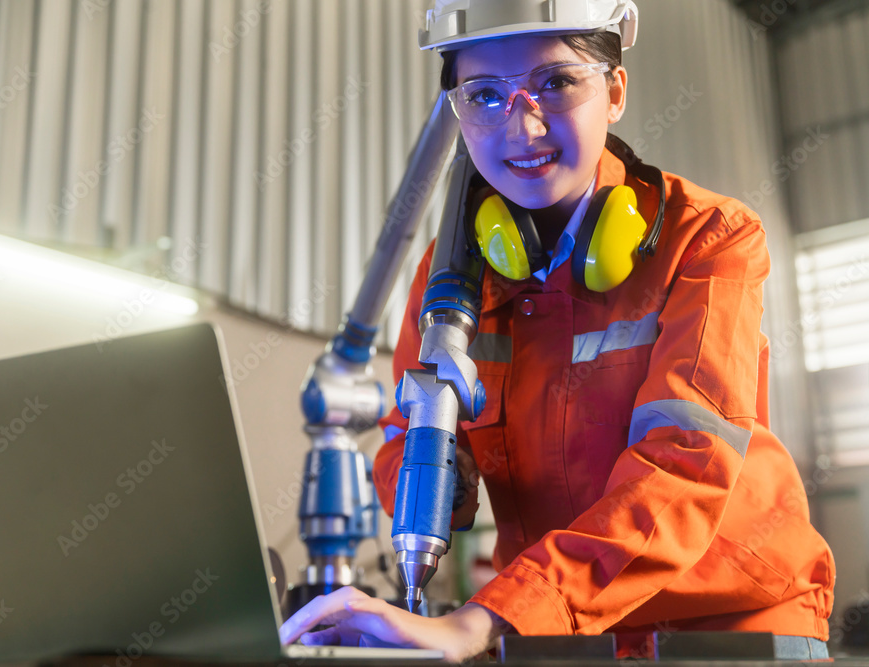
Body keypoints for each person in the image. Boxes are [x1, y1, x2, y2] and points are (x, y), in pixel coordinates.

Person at [280, 0, 835, 661]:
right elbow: (405, 438)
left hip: (731, 628)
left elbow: (684, 465)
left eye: (556, 81)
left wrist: (480, 619)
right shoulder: (449, 280)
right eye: (484, 94)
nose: (523, 122)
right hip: (557, 634)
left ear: (615, 91)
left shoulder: (707, 238)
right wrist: (433, 475)